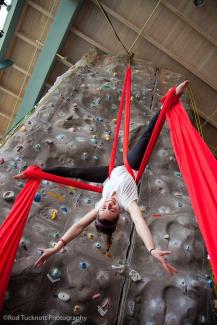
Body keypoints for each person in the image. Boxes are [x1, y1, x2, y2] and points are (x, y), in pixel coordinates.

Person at [15, 80, 189, 276]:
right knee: (147, 135)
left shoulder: (102, 204)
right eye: (111, 209)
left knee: (74, 173)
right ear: (118, 213)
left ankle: (36, 171)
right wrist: (151, 249)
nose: (107, 205)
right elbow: (139, 222)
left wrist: (56, 247)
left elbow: (79, 225)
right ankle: (171, 98)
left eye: (103, 208)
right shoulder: (127, 201)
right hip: (129, 168)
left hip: (109, 175)